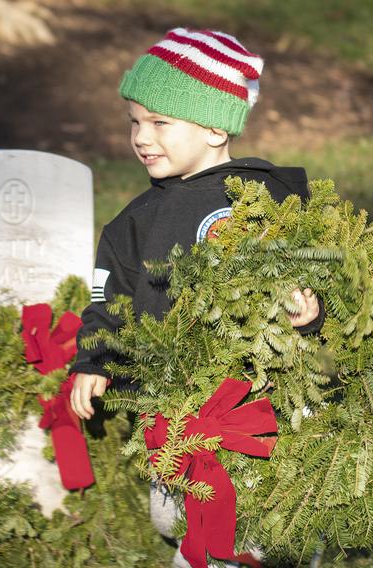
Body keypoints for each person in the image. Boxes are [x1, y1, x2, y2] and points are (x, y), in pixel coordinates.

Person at [69, 27, 325, 419]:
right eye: (134, 122)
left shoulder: (264, 196)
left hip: (268, 401)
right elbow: (109, 301)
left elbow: (313, 272)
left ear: (214, 129)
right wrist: (94, 361)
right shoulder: (135, 221)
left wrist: (309, 315)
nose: (140, 137)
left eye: (159, 123)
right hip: (172, 417)